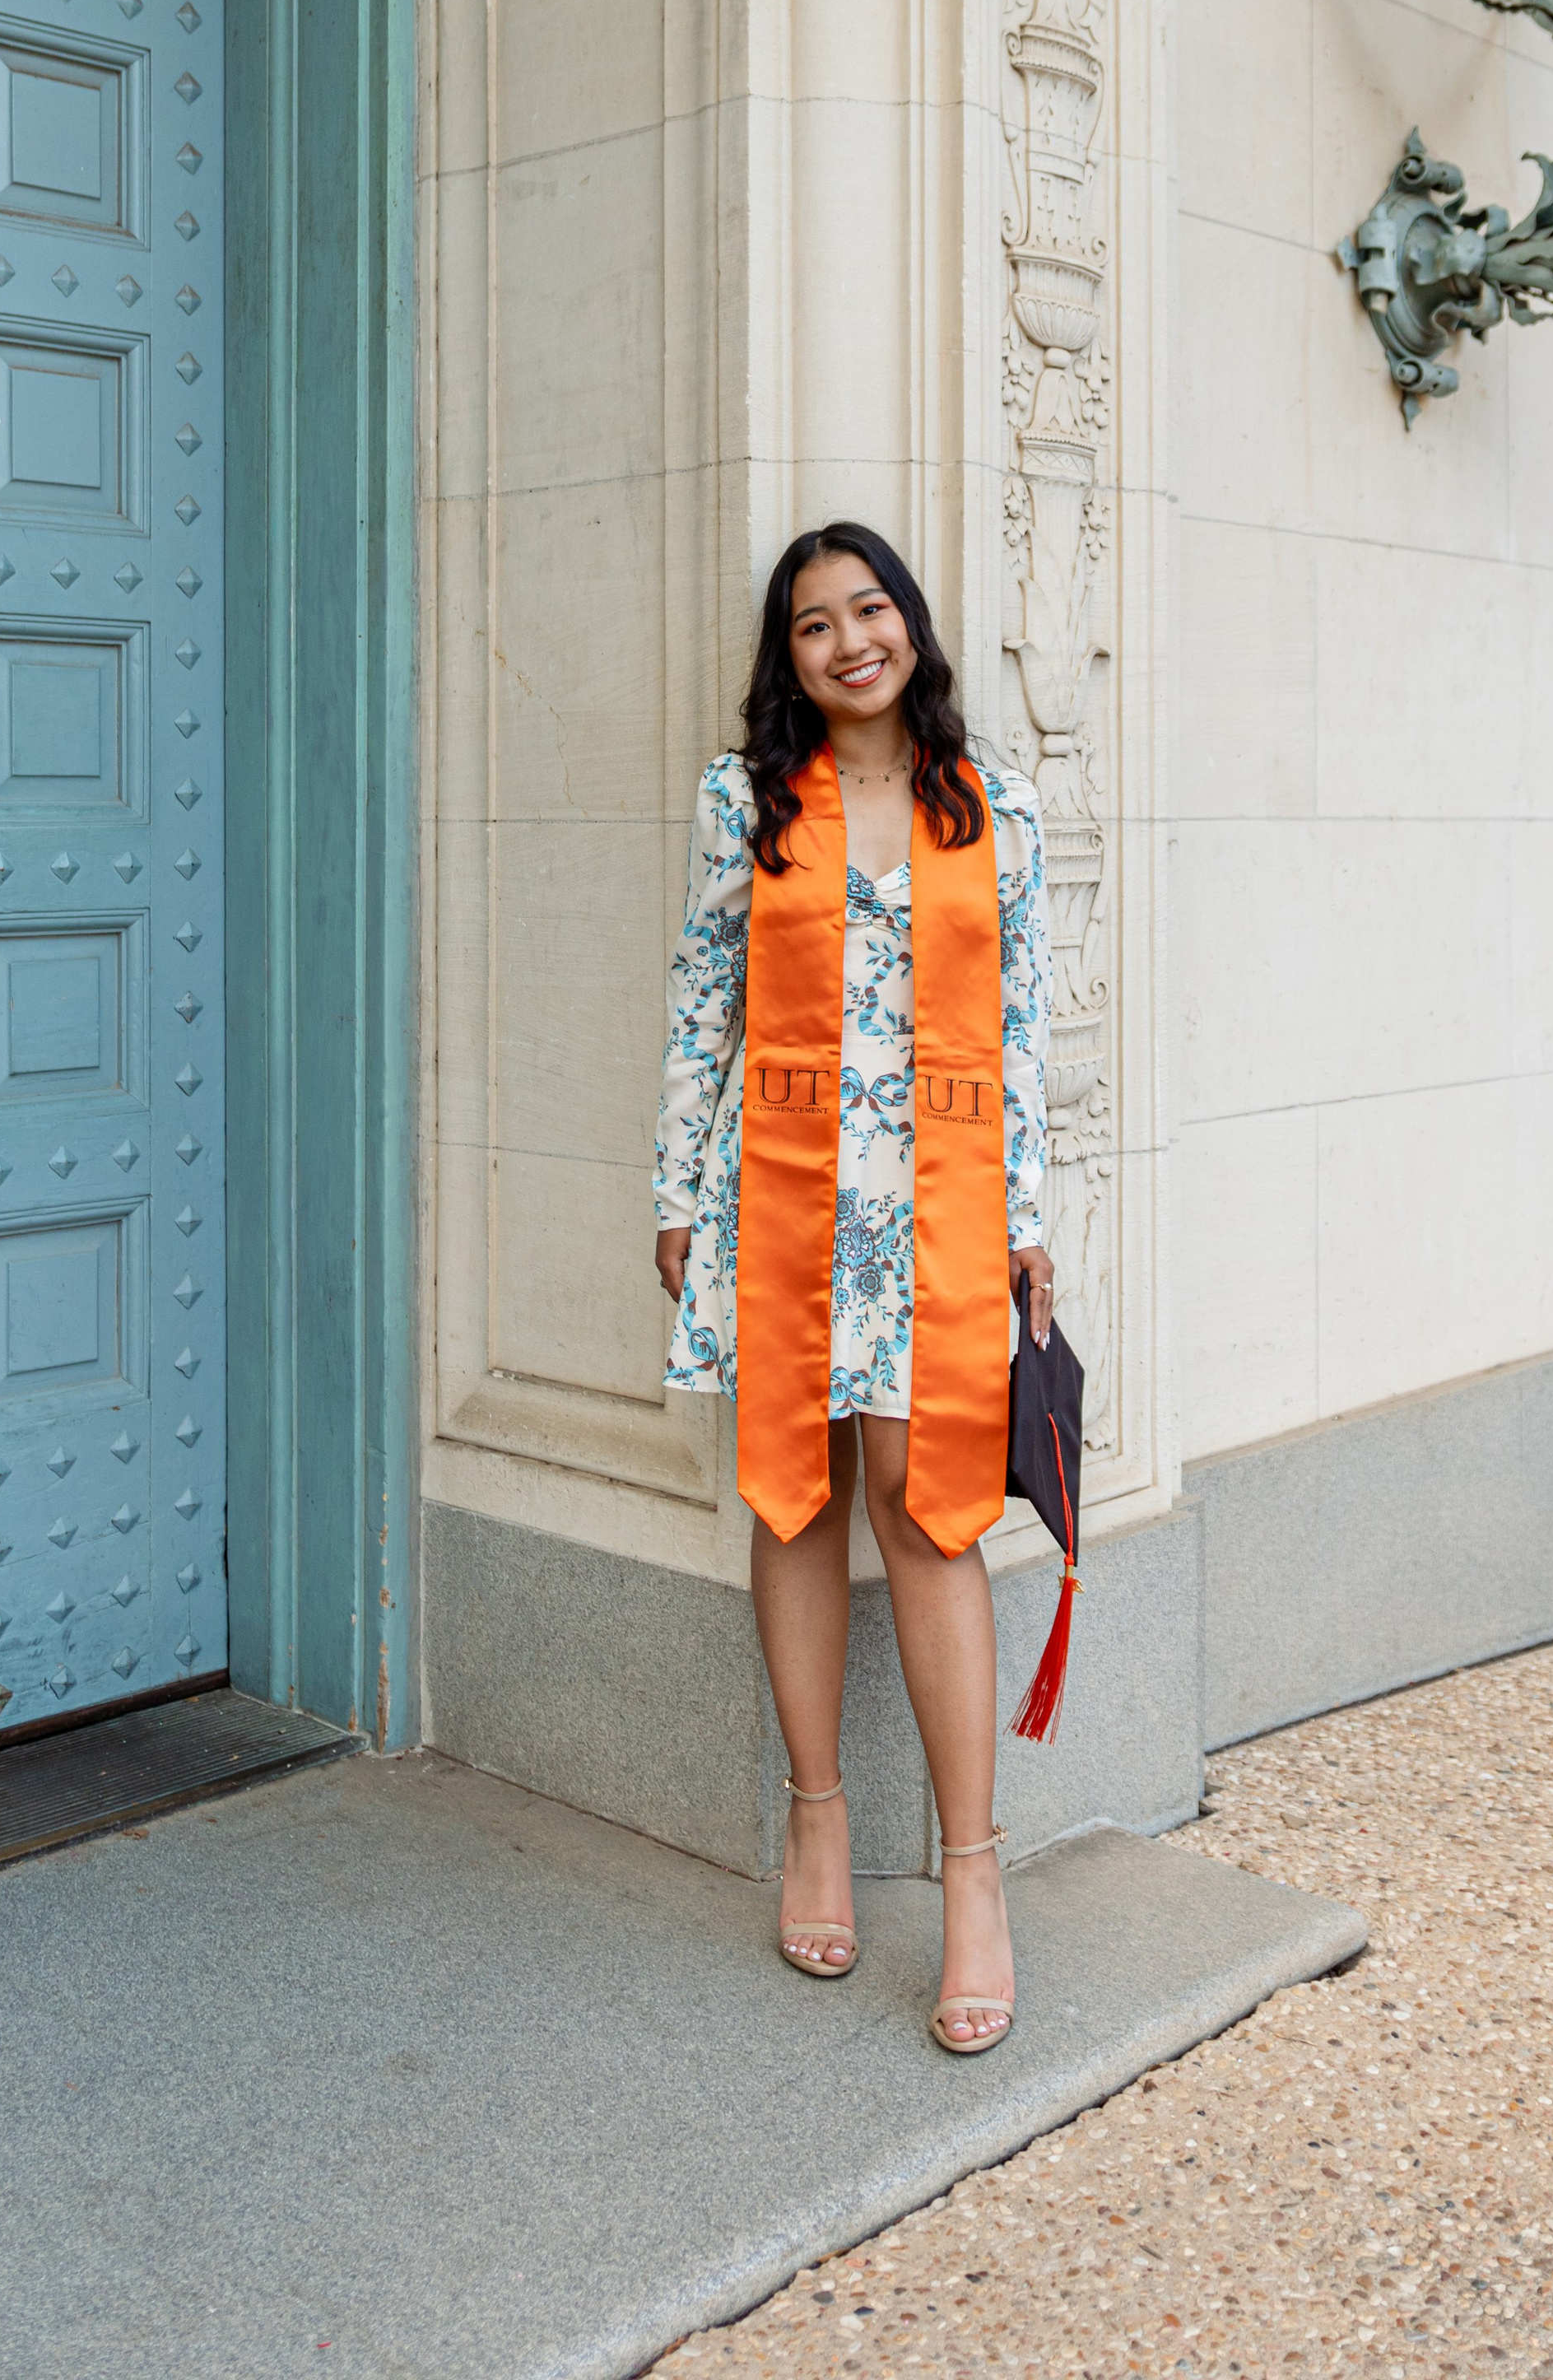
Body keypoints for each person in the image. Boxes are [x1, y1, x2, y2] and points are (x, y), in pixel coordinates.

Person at [653, 524, 1053, 2054]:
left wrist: (1031, 1218)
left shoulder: (989, 805)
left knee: (925, 1501)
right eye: (813, 623)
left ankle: (972, 1876)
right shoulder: (745, 801)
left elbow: (1022, 1032)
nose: (846, 641)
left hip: (941, 1199)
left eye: (868, 609)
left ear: (909, 624)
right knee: (796, 1496)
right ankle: (817, 1818)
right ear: (790, 655)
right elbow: (701, 1004)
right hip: (782, 1187)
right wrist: (678, 1191)